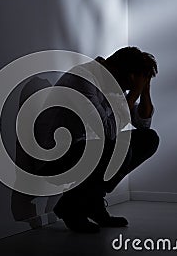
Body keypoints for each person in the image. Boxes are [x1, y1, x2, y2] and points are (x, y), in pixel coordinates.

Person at [45, 47, 160, 233]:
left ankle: (92, 203)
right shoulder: (83, 80)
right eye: (131, 84)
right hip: (54, 157)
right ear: (125, 74)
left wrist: (144, 91)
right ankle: (73, 207)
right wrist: (133, 95)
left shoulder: (112, 82)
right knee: (114, 147)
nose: (127, 90)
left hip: (86, 150)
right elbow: (106, 131)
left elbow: (143, 124)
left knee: (148, 139)